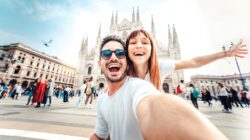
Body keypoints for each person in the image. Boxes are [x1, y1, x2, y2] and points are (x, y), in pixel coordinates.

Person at [90, 35, 228, 140]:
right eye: (106, 54)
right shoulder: (103, 98)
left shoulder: (142, 83)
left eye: (120, 53)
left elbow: (153, 106)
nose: (113, 57)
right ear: (99, 61)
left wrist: (224, 54)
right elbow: (100, 134)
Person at [125, 29, 248, 90]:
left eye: (145, 42)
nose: (139, 45)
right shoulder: (121, 71)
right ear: (126, 50)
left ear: (153, 48)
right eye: (133, 42)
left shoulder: (160, 66)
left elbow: (195, 62)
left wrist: (225, 53)